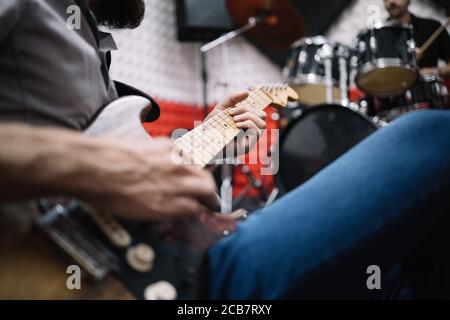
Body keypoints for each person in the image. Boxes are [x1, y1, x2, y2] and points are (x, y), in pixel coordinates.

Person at [1, 0, 450, 300]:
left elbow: (115, 177)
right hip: (132, 279)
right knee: (430, 137)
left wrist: (210, 137)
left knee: (393, 278)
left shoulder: (84, 37)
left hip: (165, 256)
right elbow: (98, 168)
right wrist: (83, 164)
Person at [384, 0, 450, 78]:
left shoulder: (431, 27)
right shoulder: (377, 36)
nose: (391, 1)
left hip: (428, 88)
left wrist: (436, 71)